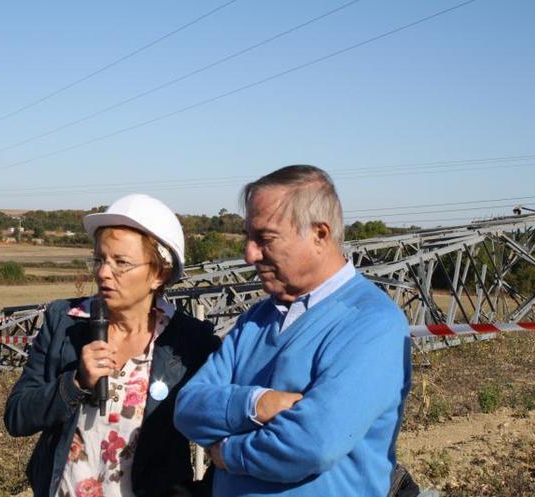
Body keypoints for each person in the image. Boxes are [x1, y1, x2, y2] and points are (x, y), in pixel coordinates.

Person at [174, 165, 412, 497]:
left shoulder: (373, 324)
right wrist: (257, 404)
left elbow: (312, 444)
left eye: (265, 238)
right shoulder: (257, 318)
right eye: (248, 237)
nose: (249, 254)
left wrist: (229, 453)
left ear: (320, 235)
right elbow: (188, 409)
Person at [5, 193, 220, 497]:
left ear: (159, 273)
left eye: (121, 262)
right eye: (100, 259)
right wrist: (74, 383)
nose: (104, 273)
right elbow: (17, 416)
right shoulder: (64, 322)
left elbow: (230, 435)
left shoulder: (190, 342)